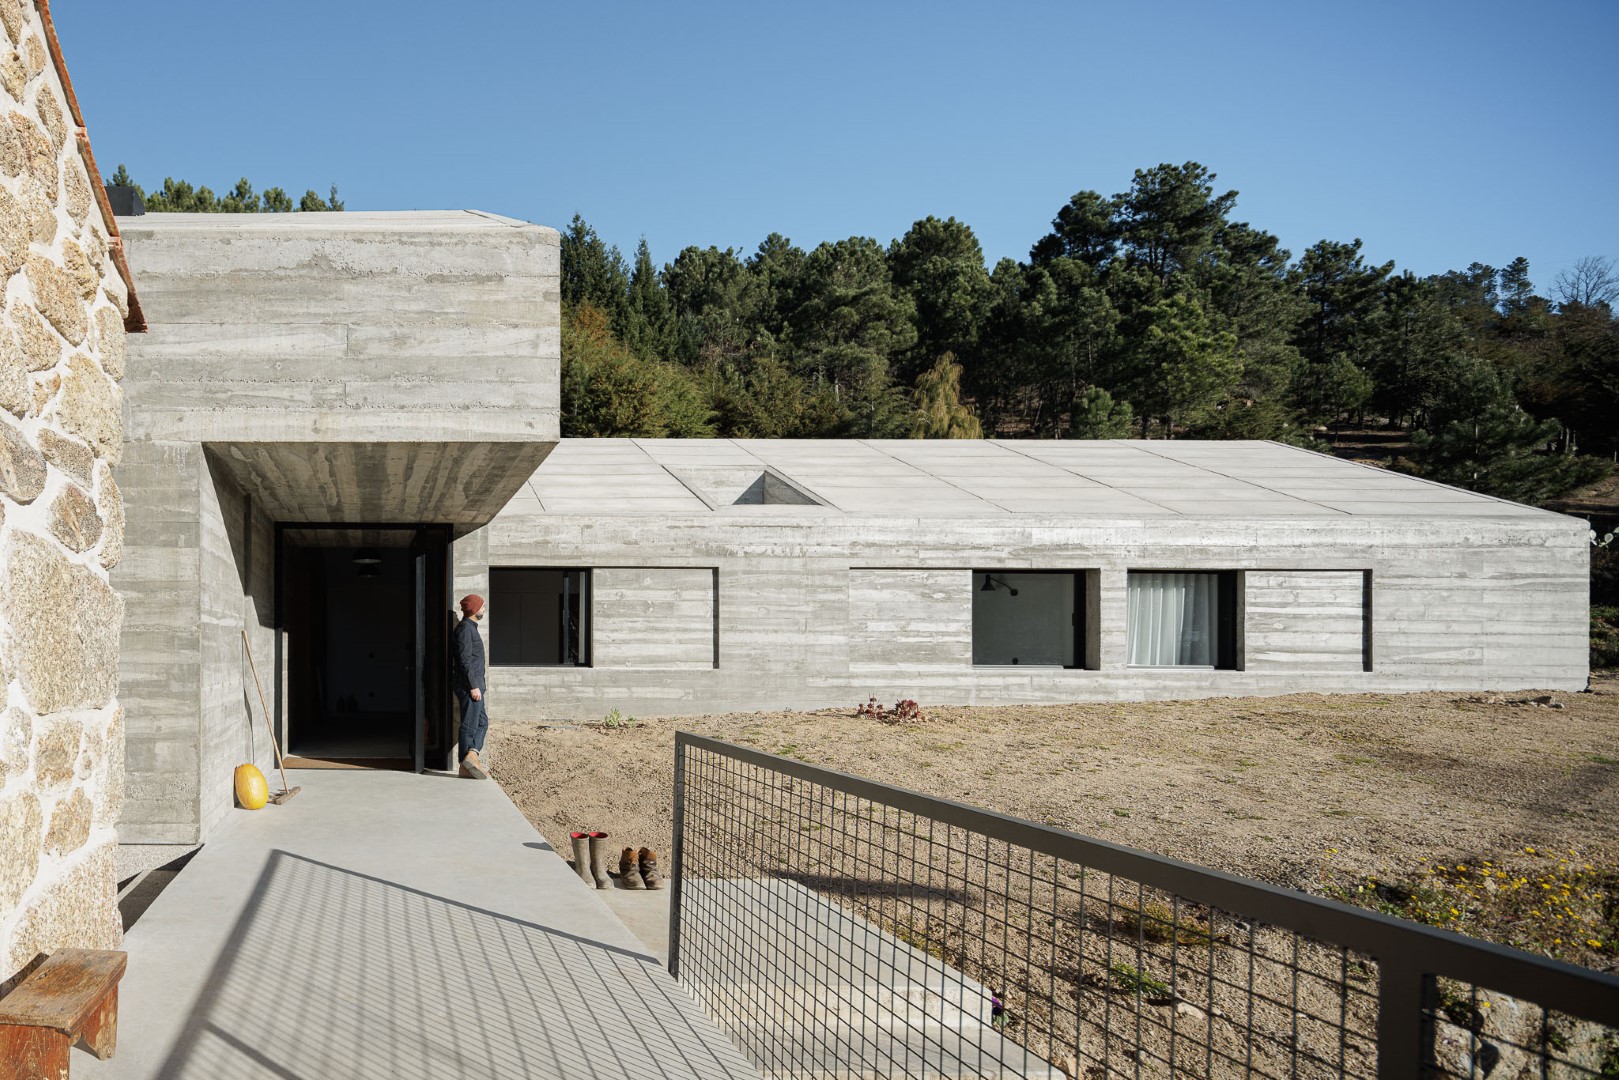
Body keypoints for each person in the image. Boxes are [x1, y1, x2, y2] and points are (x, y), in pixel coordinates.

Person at [453, 594, 490, 779]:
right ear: (474, 609)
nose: (484, 609)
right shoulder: (465, 629)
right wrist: (473, 686)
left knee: (482, 722)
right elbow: (464, 660)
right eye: (482, 606)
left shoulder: (470, 628)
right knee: (469, 724)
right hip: (469, 686)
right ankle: (464, 765)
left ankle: (472, 755)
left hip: (475, 684)